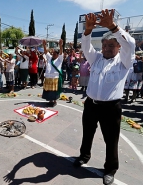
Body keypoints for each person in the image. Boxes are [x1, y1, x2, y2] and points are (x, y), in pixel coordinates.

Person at [75, 9, 135, 185]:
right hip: (91, 105)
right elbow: (86, 46)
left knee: (111, 139)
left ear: (118, 47)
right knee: (87, 133)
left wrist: (114, 27)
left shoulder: (124, 62)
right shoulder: (96, 59)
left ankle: (110, 169)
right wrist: (87, 30)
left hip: (111, 108)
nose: (107, 48)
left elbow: (130, 45)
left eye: (112, 45)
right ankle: (84, 156)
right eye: (105, 45)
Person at [41, 39, 63, 107]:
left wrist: (60, 46)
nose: (53, 54)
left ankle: (54, 101)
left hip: (55, 78)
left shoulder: (59, 59)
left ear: (57, 54)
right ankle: (50, 101)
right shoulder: (50, 58)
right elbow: (45, 52)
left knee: (54, 91)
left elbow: (61, 52)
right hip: (48, 77)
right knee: (49, 90)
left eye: (55, 53)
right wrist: (44, 45)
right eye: (53, 53)